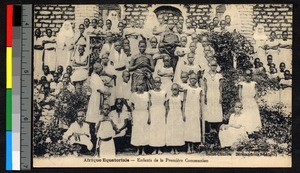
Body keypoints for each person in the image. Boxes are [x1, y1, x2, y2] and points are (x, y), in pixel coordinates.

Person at [86, 63, 111, 154]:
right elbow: (99, 89)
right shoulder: (94, 77)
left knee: (98, 122)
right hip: (95, 100)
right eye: (100, 70)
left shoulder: (96, 77)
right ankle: (93, 147)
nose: (102, 71)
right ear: (96, 69)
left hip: (98, 98)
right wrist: (107, 92)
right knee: (94, 123)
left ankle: (98, 146)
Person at [183, 73, 203, 153]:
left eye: (194, 79)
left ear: (197, 80)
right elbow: (184, 101)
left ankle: (193, 147)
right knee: (188, 128)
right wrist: (183, 112)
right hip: (188, 110)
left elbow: (200, 102)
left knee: (194, 128)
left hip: (195, 110)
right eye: (191, 78)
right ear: (189, 79)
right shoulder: (186, 88)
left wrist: (200, 113)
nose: (193, 80)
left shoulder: (199, 89)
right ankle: (188, 147)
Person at [129, 80, 150, 155]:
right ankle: (138, 150)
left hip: (144, 113)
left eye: (142, 85)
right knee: (137, 131)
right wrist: (131, 117)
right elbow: (131, 107)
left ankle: (143, 150)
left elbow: (149, 106)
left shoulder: (147, 94)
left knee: (144, 131)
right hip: (136, 114)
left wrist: (149, 117)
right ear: (136, 86)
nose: (141, 87)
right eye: (139, 85)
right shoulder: (134, 95)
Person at [203, 60, 224, 137]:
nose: (213, 67)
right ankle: (210, 129)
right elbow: (205, 87)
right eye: (212, 65)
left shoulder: (219, 75)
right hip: (209, 94)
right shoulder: (206, 75)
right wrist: (205, 96)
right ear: (209, 66)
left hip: (216, 94)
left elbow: (220, 87)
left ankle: (216, 129)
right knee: (209, 111)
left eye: (215, 65)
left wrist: (220, 96)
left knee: (216, 111)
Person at [238, 69, 262, 133]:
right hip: (244, 101)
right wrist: (241, 102)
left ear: (251, 76)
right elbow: (240, 95)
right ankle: (245, 130)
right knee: (245, 115)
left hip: (252, 102)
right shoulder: (241, 84)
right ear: (244, 76)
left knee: (252, 115)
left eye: (249, 75)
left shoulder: (254, 83)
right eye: (246, 75)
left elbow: (256, 95)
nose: (247, 77)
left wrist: (256, 102)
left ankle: (253, 130)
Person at [148, 77, 167, 154]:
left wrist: (166, 115)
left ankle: (159, 148)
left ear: (161, 83)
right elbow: (149, 104)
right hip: (153, 111)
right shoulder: (151, 92)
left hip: (161, 111)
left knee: (160, 129)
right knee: (154, 129)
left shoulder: (164, 92)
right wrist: (149, 115)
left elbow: (166, 104)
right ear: (153, 83)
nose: (157, 84)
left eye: (159, 82)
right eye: (156, 82)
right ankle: (154, 148)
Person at [165, 83, 185, 154]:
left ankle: (176, 148)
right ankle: (172, 149)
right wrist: (166, 117)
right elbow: (167, 108)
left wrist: (183, 115)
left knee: (177, 131)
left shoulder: (180, 97)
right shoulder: (169, 98)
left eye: (176, 89)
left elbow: (182, 108)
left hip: (178, 115)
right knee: (171, 132)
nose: (174, 91)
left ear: (178, 90)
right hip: (171, 115)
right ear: (171, 90)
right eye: (173, 89)